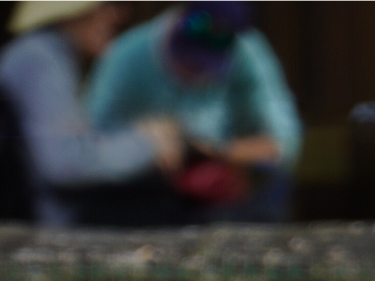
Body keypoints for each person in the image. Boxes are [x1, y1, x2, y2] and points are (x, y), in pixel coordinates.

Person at [86, 3, 300, 221]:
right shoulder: (126, 56)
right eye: (188, 63)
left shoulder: (246, 51)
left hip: (225, 185)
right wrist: (142, 141)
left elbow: (284, 142)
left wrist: (219, 155)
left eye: (204, 69)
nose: (196, 76)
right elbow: (88, 145)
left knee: (270, 182)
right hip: (151, 187)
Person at [0, 0, 182, 224]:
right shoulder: (39, 56)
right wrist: (149, 143)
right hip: (52, 227)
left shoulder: (50, 54)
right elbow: (66, 163)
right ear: (68, 10)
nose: (119, 15)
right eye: (107, 5)